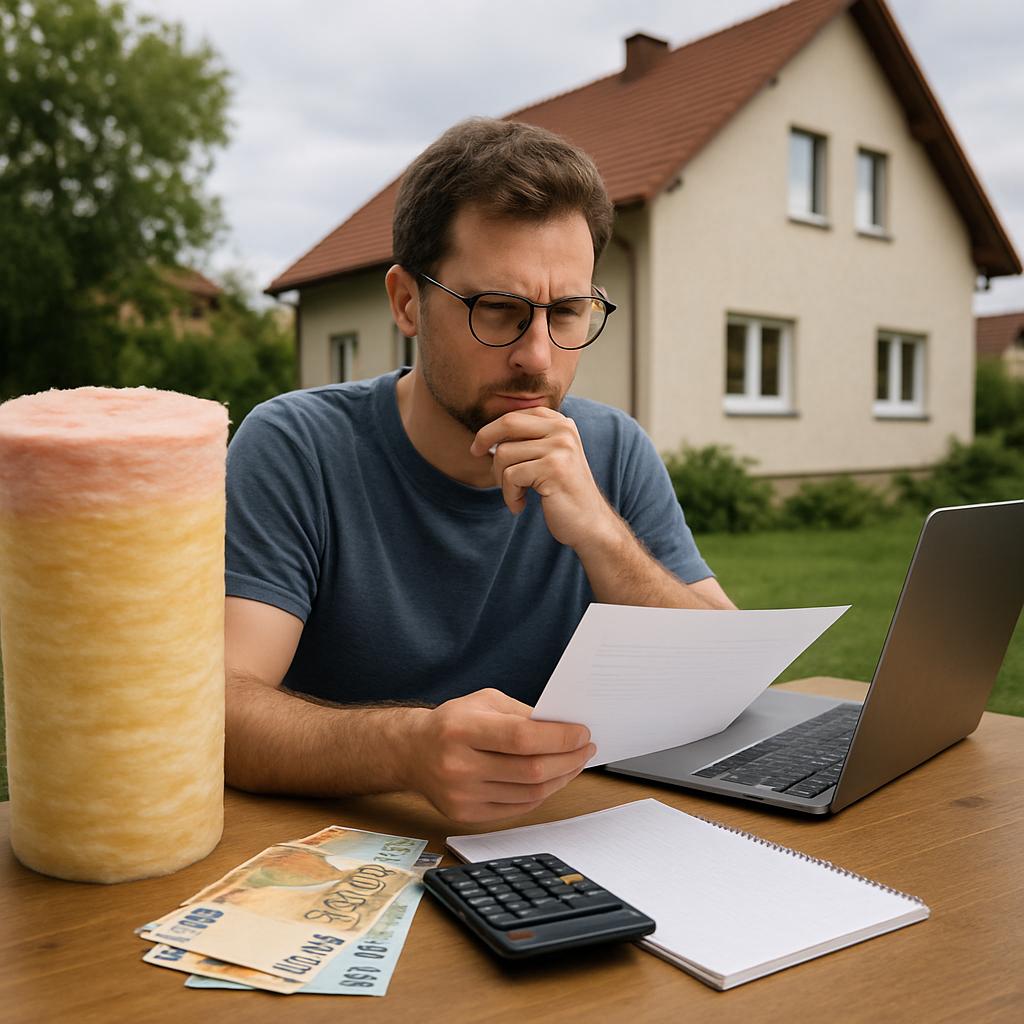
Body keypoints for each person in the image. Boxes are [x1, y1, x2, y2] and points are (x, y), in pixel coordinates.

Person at [224, 118, 734, 823]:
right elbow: (218, 704)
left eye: (568, 312)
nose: (539, 356)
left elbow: (727, 675)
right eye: (498, 311)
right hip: (345, 855)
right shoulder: (297, 447)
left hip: (562, 851)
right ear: (407, 301)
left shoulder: (611, 449)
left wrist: (601, 536)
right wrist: (405, 749)